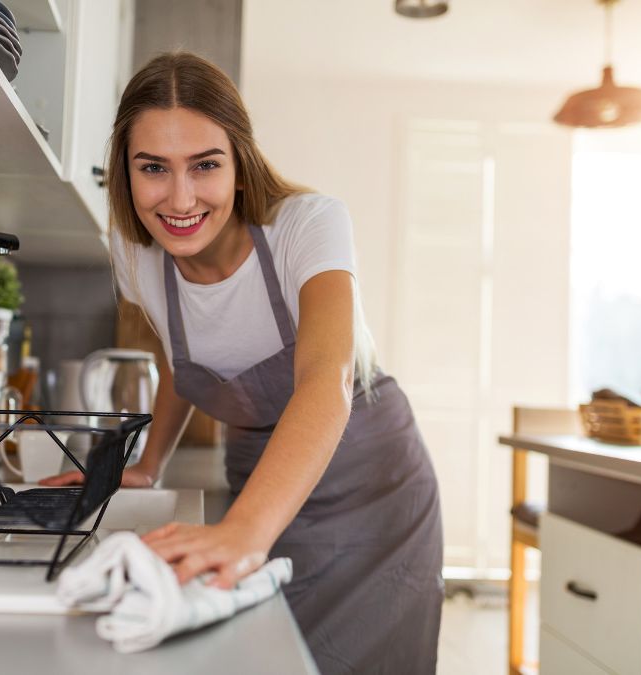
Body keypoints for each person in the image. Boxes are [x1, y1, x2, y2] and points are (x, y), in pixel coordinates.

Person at [40, 52, 444, 674]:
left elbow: (325, 378)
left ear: (240, 163)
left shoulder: (307, 226)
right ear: (125, 171)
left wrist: (247, 532)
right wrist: (148, 465)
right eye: (153, 168)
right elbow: (183, 360)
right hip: (259, 476)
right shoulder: (134, 252)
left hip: (371, 486)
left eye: (205, 165)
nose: (180, 197)